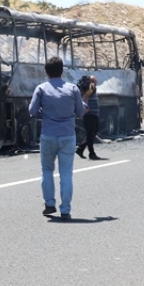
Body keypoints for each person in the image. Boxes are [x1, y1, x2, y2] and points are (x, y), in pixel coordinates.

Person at [29, 56, 86, 219]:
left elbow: (32, 111)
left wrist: (43, 112)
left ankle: (49, 204)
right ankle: (65, 210)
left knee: (47, 170)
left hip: (48, 135)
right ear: (62, 71)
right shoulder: (73, 89)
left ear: (46, 72)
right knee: (66, 173)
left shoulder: (41, 89)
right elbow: (80, 112)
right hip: (67, 135)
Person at [76, 74, 101, 160]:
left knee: (93, 133)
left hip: (94, 114)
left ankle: (80, 149)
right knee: (90, 134)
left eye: (95, 81)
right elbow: (85, 97)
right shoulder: (87, 89)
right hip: (89, 114)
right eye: (93, 81)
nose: (94, 83)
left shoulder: (92, 89)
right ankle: (91, 153)